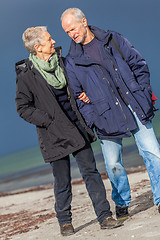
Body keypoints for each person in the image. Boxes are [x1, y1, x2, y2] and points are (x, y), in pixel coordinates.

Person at [15, 26, 123, 236]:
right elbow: (23, 107)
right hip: (53, 134)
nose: (53, 41)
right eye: (48, 40)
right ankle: (65, 222)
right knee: (62, 181)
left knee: (91, 173)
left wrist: (84, 95)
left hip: (76, 127)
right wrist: (48, 121)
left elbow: (78, 85)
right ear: (38, 47)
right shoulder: (26, 75)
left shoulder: (63, 63)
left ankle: (105, 216)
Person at [61, 8, 160, 220]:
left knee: (154, 154)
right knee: (113, 164)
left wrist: (142, 92)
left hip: (135, 105)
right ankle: (122, 203)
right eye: (67, 31)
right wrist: (93, 117)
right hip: (105, 116)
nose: (71, 34)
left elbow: (139, 65)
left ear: (84, 21)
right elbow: (78, 96)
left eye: (73, 28)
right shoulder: (72, 61)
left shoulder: (113, 39)